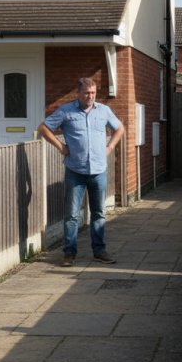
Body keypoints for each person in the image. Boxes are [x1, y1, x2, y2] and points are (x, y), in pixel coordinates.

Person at [38, 77, 125, 267]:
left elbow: (120, 128)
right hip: (75, 171)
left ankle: (99, 251)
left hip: (98, 170)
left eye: (93, 93)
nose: (90, 96)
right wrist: (61, 147)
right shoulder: (66, 111)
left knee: (99, 213)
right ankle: (69, 253)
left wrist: (109, 147)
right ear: (78, 93)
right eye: (87, 93)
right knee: (71, 215)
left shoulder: (103, 111)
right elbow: (43, 128)